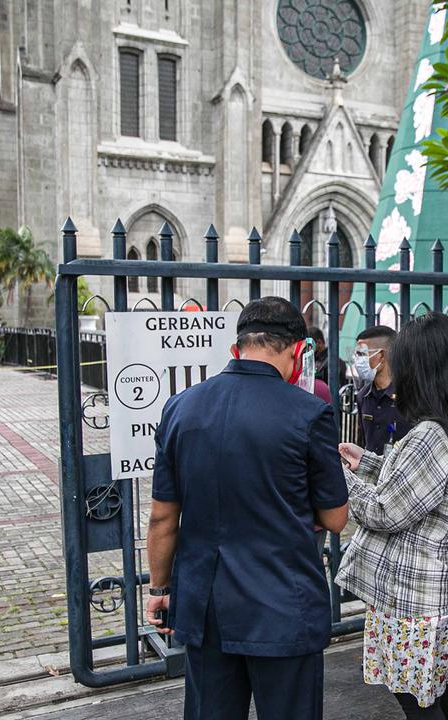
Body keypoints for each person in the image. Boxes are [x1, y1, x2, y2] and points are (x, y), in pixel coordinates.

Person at [146, 296, 348, 720]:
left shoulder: (180, 407)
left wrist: (160, 590)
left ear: (236, 349)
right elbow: (334, 517)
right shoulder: (309, 412)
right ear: (298, 351)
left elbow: (163, 517)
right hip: (283, 604)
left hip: (206, 605)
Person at [336, 313, 448, 720]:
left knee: (416, 700)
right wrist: (366, 463)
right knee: (443, 685)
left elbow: (386, 509)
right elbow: (424, 488)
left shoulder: (429, 435)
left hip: (416, 598)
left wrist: (340, 480)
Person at [352, 325, 411, 454]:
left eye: (362, 354)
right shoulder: (363, 396)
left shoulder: (409, 395)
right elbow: (364, 444)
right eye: (356, 354)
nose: (357, 360)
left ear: (382, 356)